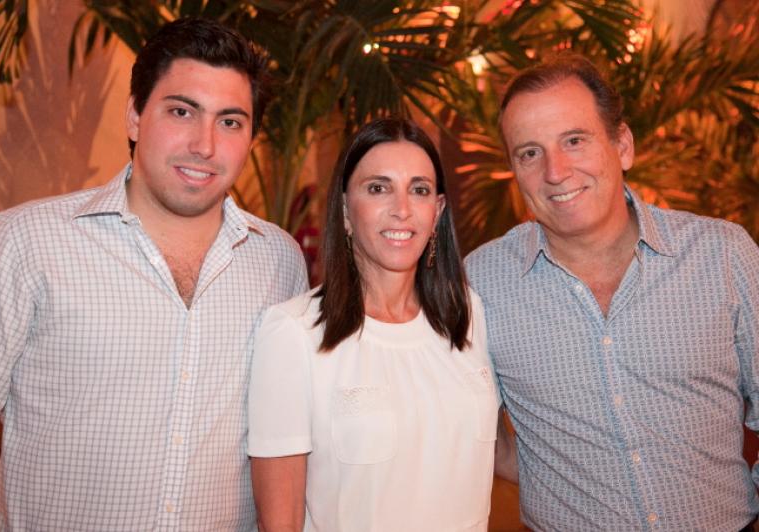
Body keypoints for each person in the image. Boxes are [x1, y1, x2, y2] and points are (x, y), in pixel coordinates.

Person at [0, 17, 307, 531]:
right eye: (182, 111)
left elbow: (286, 439)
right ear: (135, 116)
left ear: (251, 137)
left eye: (230, 122)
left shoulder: (279, 259)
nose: (205, 145)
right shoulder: (25, 243)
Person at [465, 53, 759, 531]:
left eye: (574, 140)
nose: (555, 171)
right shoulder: (481, 282)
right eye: (530, 153)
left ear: (622, 145)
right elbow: (465, 425)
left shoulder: (722, 255)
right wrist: (546, 475)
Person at [247, 117, 514, 531]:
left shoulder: (469, 314)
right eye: (378, 188)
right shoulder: (293, 333)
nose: (402, 209)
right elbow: (280, 524)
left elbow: (494, 453)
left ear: (437, 212)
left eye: (419, 190)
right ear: (345, 210)